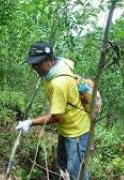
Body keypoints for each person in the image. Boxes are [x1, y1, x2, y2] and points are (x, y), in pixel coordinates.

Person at [16, 42, 90, 180]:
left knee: (77, 174)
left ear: (50, 61)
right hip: (66, 129)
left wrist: (30, 122)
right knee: (62, 167)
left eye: (37, 64)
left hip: (77, 133)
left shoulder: (58, 83)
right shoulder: (58, 67)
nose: (34, 68)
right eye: (33, 64)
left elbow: (56, 117)